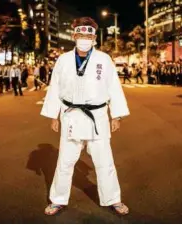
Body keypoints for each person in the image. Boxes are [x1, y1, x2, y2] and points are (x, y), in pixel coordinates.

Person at [41, 17, 130, 216]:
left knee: (105, 161)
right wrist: (53, 115)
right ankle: (58, 199)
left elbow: (113, 88)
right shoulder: (63, 60)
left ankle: (113, 198)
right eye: (80, 35)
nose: (84, 38)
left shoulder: (103, 60)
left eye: (88, 35)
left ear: (94, 38)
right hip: (71, 116)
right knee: (65, 161)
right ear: (73, 36)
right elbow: (54, 88)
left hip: (97, 116)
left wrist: (116, 115)